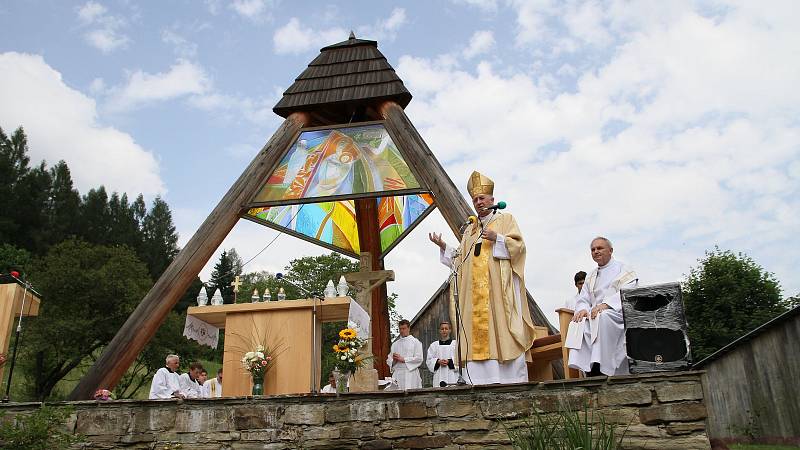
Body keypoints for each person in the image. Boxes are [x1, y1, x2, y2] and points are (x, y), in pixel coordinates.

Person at [428, 171, 536, 384]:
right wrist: (444, 247)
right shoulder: (470, 229)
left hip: (496, 292)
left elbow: (519, 247)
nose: (478, 202)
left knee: (500, 330)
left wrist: (498, 238)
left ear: (492, 200)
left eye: (482, 198)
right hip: (474, 296)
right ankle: (477, 380)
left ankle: (506, 378)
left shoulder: (505, 219)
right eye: (475, 199)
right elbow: (461, 259)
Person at [569, 237, 638, 377]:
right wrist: (582, 309)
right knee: (579, 322)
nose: (596, 251)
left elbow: (629, 292)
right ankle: (589, 368)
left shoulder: (623, 269)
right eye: (593, 249)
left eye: (599, 248)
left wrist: (606, 305)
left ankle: (603, 367)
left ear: (611, 250)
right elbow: (583, 298)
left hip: (617, 313)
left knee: (603, 317)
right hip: (594, 313)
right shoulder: (591, 275)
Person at [386, 320, 423, 390]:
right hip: (398, 374)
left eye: (404, 328)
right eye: (400, 329)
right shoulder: (395, 344)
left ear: (409, 328)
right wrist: (394, 361)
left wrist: (404, 359)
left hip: (410, 374)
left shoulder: (415, 342)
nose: (402, 331)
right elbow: (389, 360)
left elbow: (419, 359)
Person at [426, 321, 459, 387]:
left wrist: (449, 362)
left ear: (450, 330)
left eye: (446, 329)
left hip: (452, 375)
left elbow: (460, 359)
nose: (444, 330)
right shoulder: (434, 345)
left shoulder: (456, 344)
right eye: (442, 329)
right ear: (439, 331)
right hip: (439, 375)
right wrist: (438, 361)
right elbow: (429, 360)